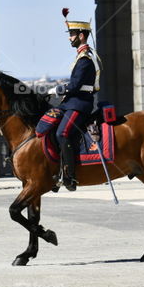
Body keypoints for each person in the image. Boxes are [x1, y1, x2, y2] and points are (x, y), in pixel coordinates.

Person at [52, 15, 101, 191]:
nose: (69, 37)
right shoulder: (81, 56)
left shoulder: (85, 59)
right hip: (72, 102)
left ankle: (70, 175)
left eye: (72, 34)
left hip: (79, 104)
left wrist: (57, 89)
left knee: (62, 133)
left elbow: (75, 85)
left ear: (81, 35)